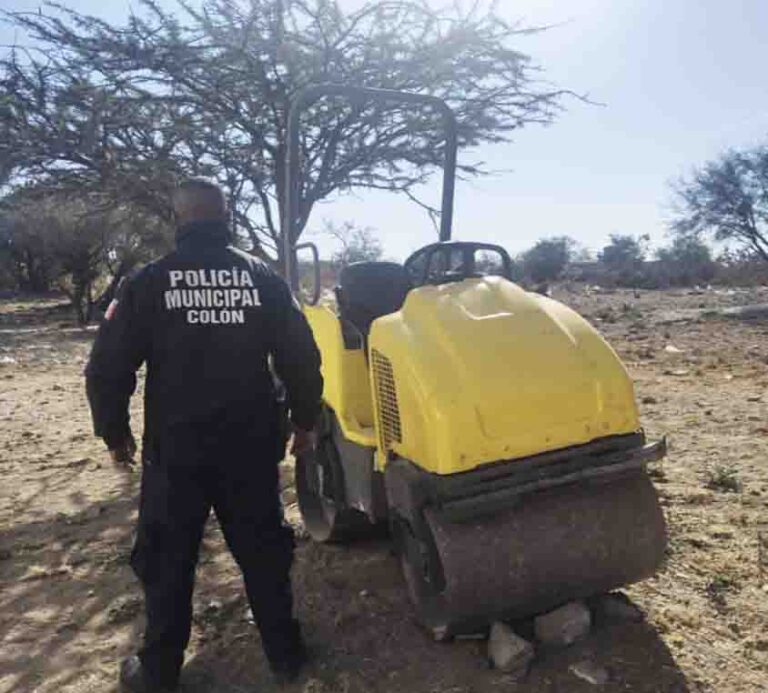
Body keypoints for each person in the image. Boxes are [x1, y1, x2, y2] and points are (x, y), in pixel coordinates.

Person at [85, 179, 323, 693]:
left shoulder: (150, 281)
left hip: (176, 450)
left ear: (179, 221)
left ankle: (159, 670)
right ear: (227, 216)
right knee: (263, 550)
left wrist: (114, 433)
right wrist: (305, 422)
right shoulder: (263, 278)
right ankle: (285, 654)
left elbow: (106, 366)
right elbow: (301, 357)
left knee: (168, 556)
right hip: (251, 446)